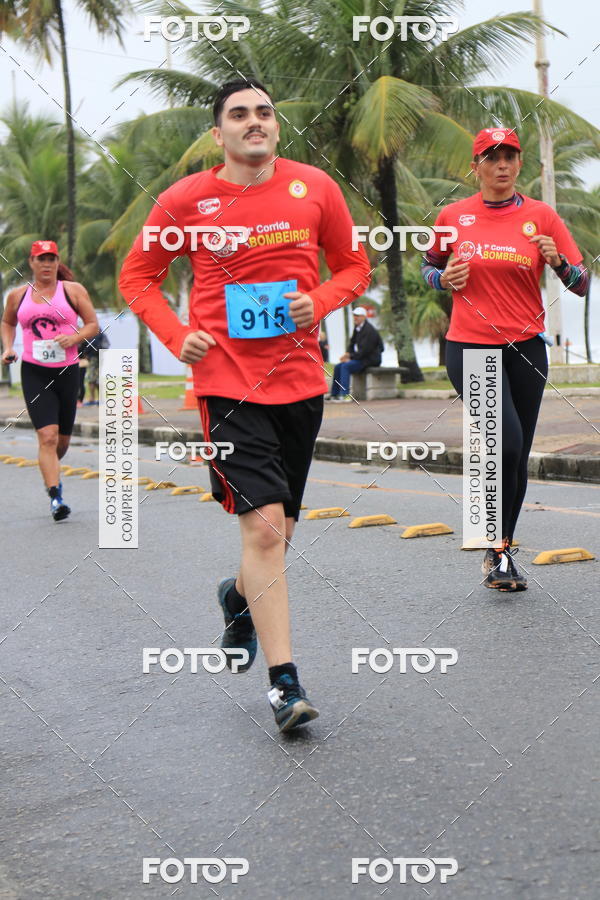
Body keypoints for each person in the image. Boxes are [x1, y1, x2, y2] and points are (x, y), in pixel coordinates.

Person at [119, 79, 371, 732]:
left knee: (280, 532)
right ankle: (285, 684)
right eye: (239, 114)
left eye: (264, 112)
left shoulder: (315, 188)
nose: (254, 121)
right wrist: (179, 338)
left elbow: (353, 268)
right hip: (226, 387)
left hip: (301, 384)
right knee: (261, 529)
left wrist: (317, 302)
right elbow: (136, 277)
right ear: (218, 133)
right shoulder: (186, 201)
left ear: (276, 128)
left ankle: (237, 597)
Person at [421, 127, 587, 591]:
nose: (502, 165)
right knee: (503, 446)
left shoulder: (542, 216)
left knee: (516, 456)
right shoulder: (453, 216)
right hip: (470, 344)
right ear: (475, 166)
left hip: (527, 348)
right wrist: (443, 278)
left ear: (519, 163)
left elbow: (581, 284)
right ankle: (493, 546)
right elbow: (427, 266)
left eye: (510, 156)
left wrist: (558, 264)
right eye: (491, 157)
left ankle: (501, 553)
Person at [1, 240, 99, 520]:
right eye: (41, 259)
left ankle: (50, 468)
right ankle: (56, 498)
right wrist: (8, 348)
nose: (47, 264)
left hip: (67, 372)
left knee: (62, 443)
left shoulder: (72, 291)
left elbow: (92, 324)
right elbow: (7, 322)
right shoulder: (17, 296)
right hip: (34, 371)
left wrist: (74, 337)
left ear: (57, 263)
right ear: (31, 263)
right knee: (47, 436)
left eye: (51, 259)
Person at [328, 306, 383, 401]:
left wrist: (351, 358)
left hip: (371, 360)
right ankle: (334, 394)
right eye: (354, 315)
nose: (355, 317)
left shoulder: (369, 330)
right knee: (338, 366)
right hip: (362, 358)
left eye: (357, 315)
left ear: (364, 317)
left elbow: (365, 351)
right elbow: (352, 343)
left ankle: (344, 395)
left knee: (346, 366)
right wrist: (347, 353)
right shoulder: (357, 328)